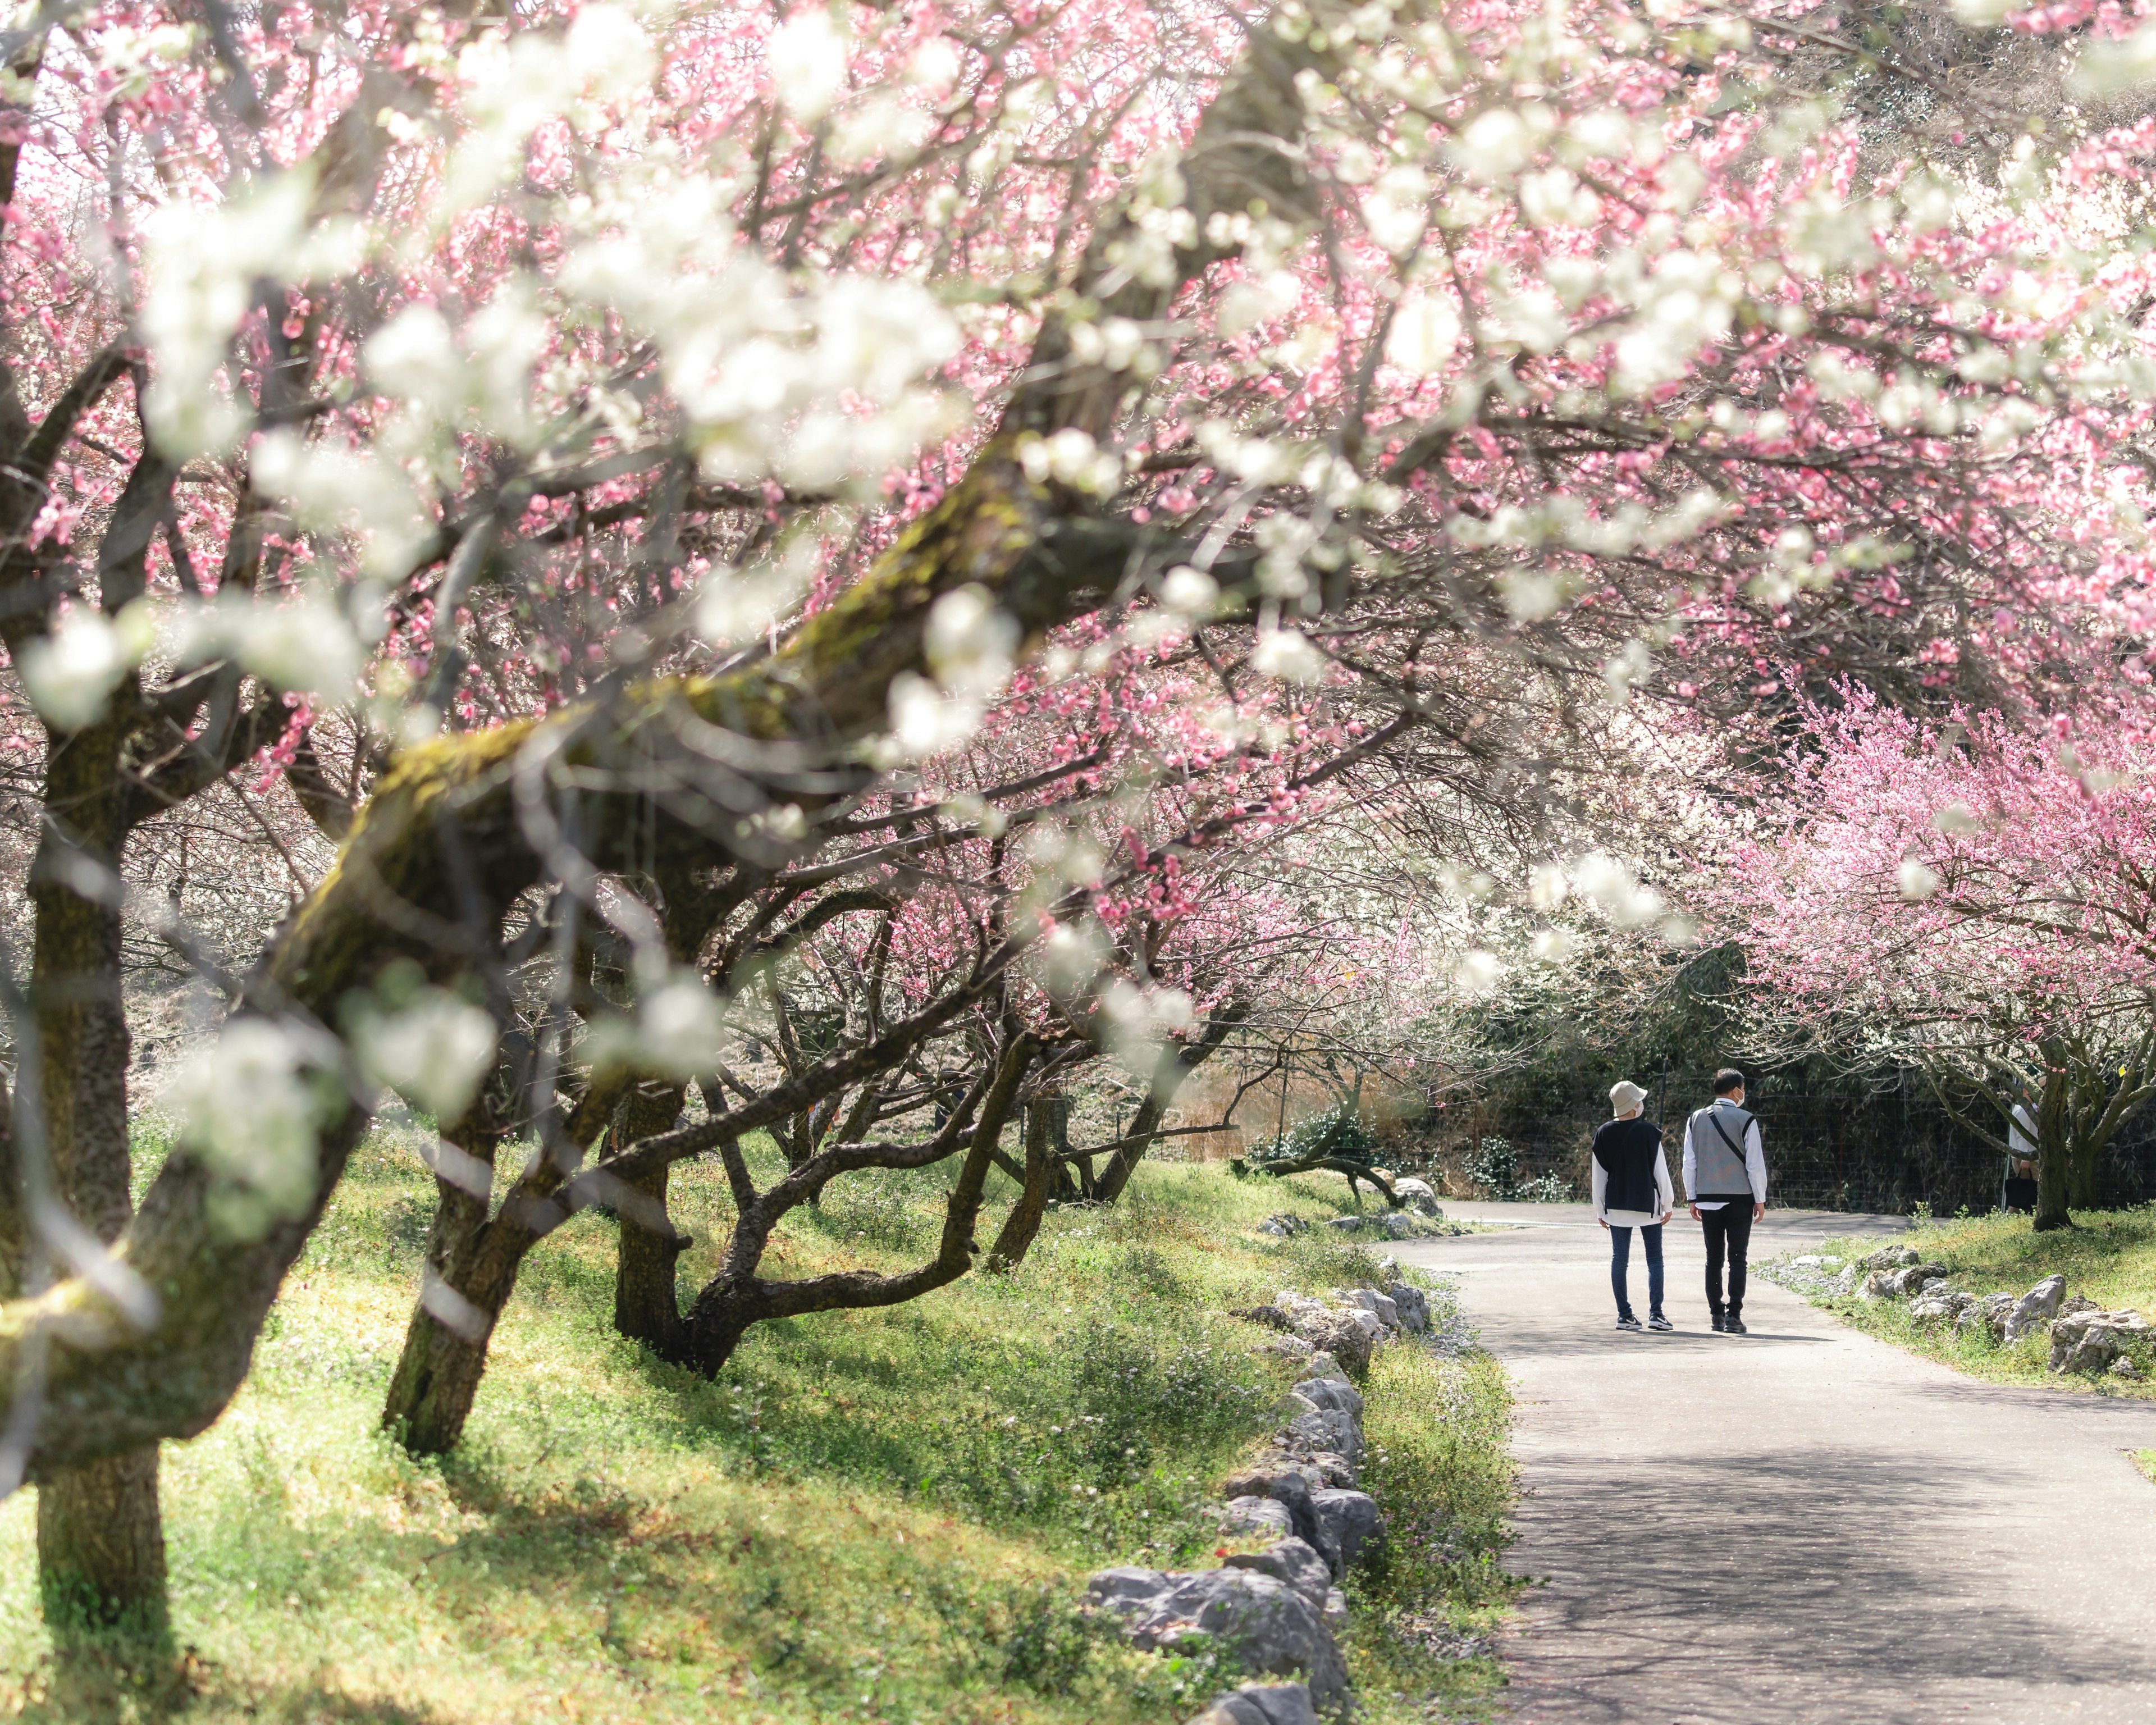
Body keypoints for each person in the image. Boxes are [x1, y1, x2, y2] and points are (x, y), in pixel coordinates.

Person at [1683, 1068, 1767, 1334]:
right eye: (1743, 1088)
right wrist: (1760, 1198)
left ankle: (1716, 1316)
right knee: (1738, 1258)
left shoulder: (1695, 1119)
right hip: (1741, 1199)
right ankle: (1735, 1316)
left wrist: (1692, 1197)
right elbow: (1755, 1165)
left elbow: (1689, 1163)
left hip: (1708, 1200)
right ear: (1735, 1091)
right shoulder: (1747, 1120)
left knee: (1714, 1259)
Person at [1592, 1080, 1676, 1332]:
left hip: (1616, 1206)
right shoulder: (1650, 1133)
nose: (1642, 1103)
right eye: (1639, 1100)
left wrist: (1600, 1209)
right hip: (1647, 1205)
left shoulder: (1603, 1133)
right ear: (1634, 1105)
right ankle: (1656, 1314)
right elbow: (1660, 1171)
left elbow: (1599, 1176)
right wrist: (1667, 1203)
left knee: (1620, 1260)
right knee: (1655, 1260)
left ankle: (1624, 1316)